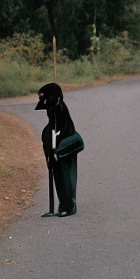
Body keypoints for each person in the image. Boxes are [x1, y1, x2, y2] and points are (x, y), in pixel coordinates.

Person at [35, 82, 80, 217]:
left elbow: (62, 128)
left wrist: (56, 147)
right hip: (58, 147)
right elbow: (52, 126)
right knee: (59, 178)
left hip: (65, 146)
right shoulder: (53, 107)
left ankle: (70, 206)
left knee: (67, 177)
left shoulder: (59, 107)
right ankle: (62, 206)